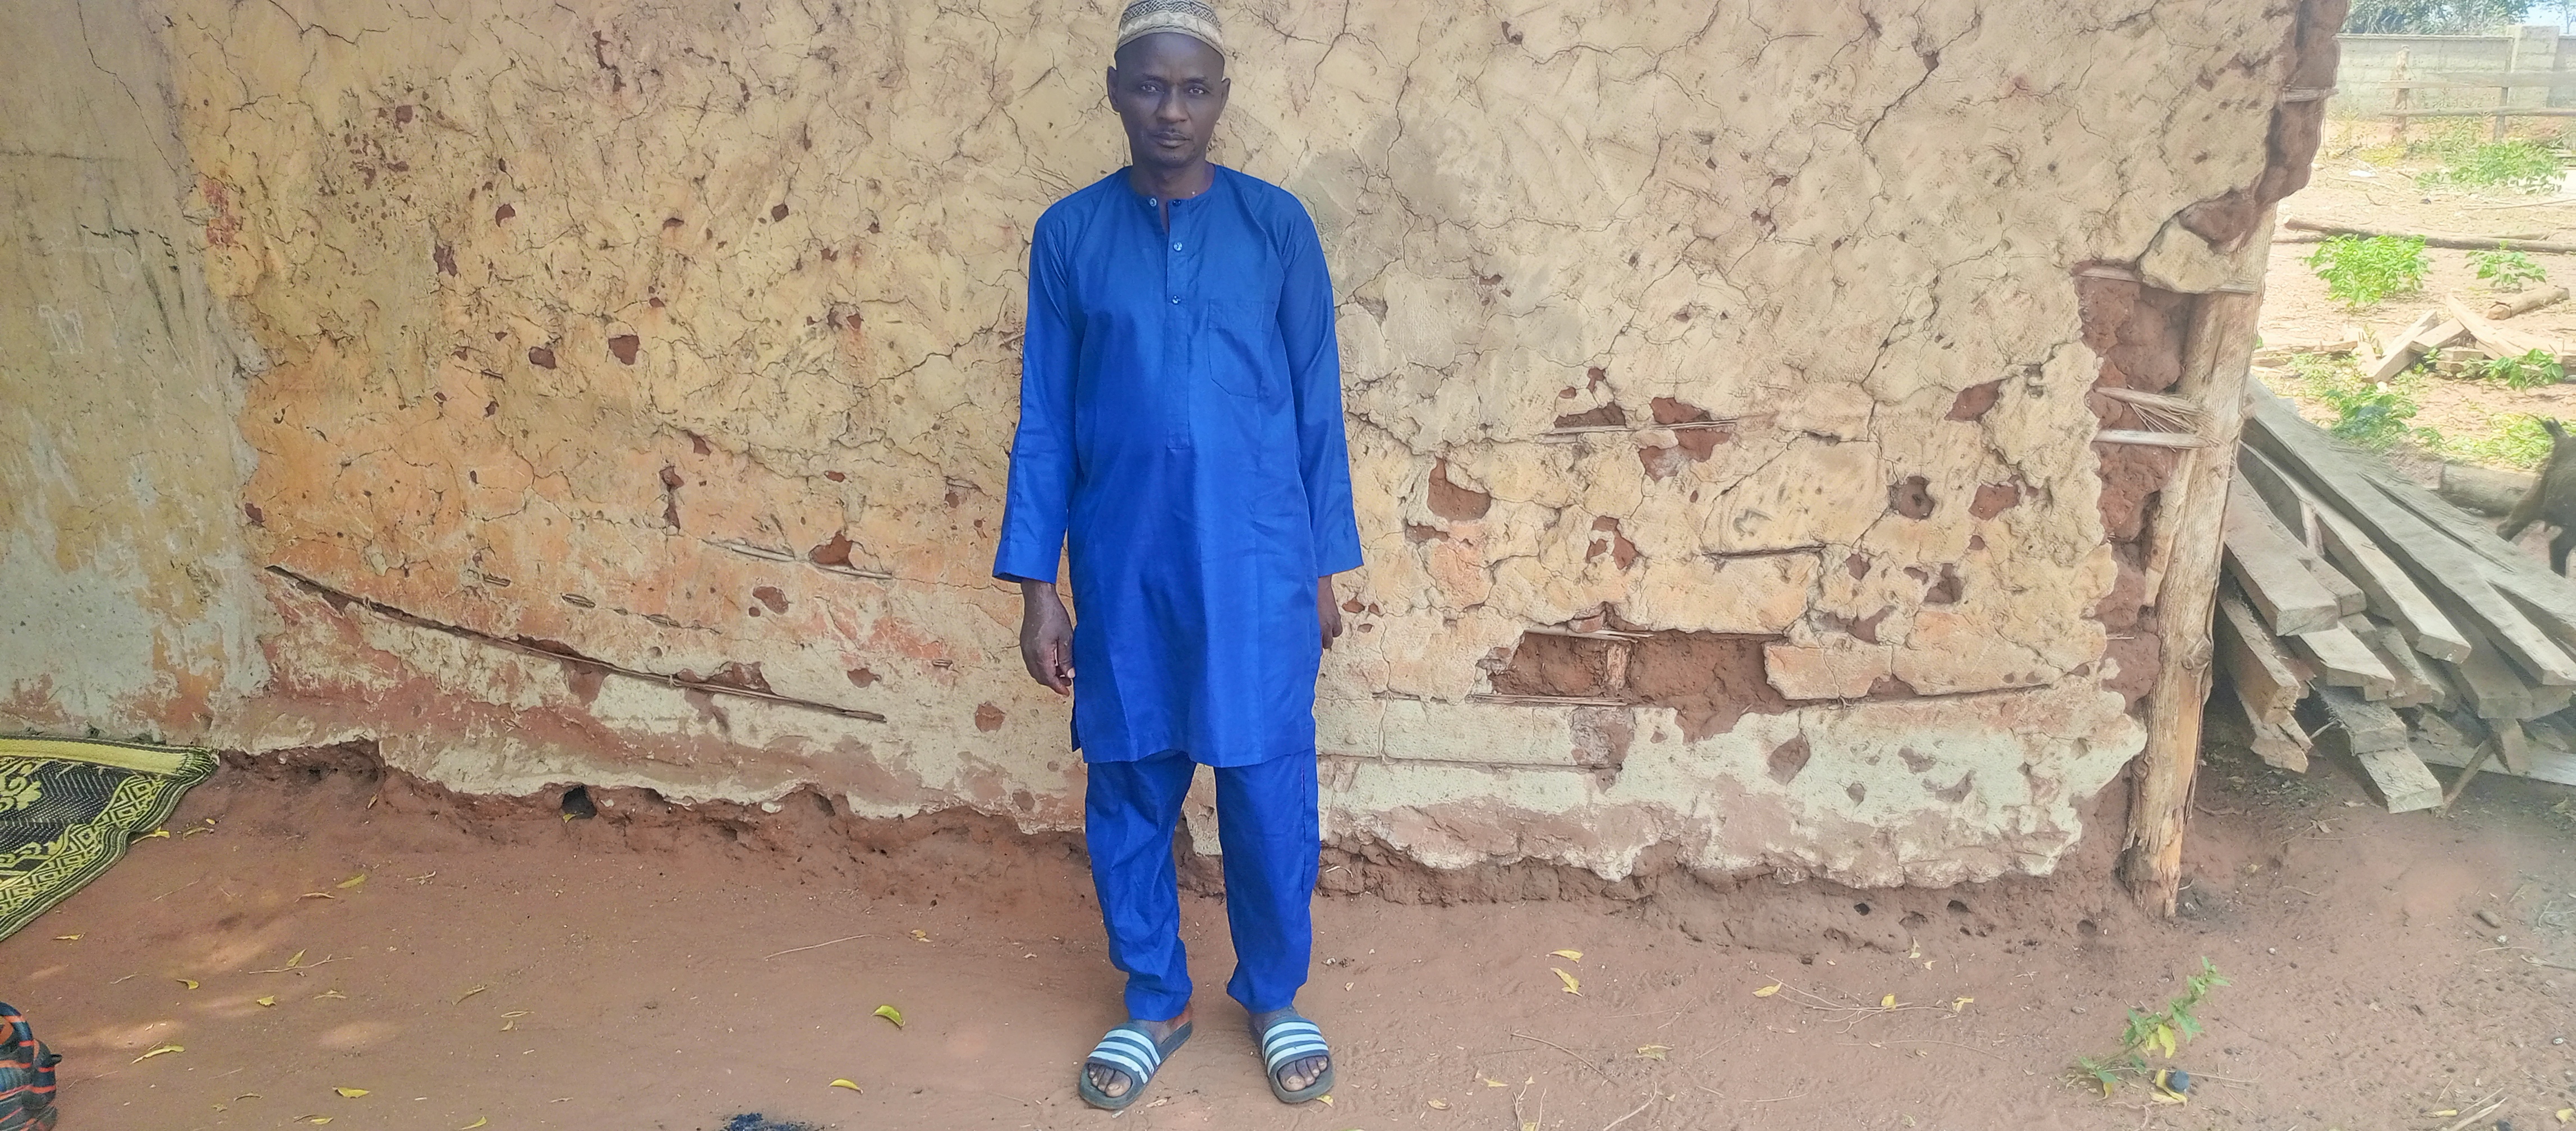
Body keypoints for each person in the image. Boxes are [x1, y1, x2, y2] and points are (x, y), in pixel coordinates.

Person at [990, 0, 1361, 1111]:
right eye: (1150, 86)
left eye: (1194, 89)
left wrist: (1320, 570)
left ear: (1220, 100)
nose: (1171, 109)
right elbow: (1045, 418)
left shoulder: (1276, 227)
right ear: (1115, 91)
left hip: (1257, 565)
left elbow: (1316, 410)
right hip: (1127, 565)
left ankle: (1275, 994)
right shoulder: (1070, 234)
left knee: (1265, 788)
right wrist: (1038, 589)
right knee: (1129, 781)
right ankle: (1155, 997)